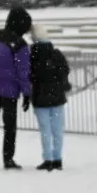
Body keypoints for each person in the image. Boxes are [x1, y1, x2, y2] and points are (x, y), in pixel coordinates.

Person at [0, 8, 32, 170]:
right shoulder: (19, 44)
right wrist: (27, 93)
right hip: (9, 91)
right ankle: (8, 159)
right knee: (9, 127)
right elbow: (23, 71)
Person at [30, 38, 71, 171]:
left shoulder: (33, 55)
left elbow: (30, 76)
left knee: (45, 130)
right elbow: (65, 70)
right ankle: (58, 159)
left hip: (40, 98)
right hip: (57, 97)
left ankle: (47, 159)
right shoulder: (56, 54)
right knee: (57, 130)